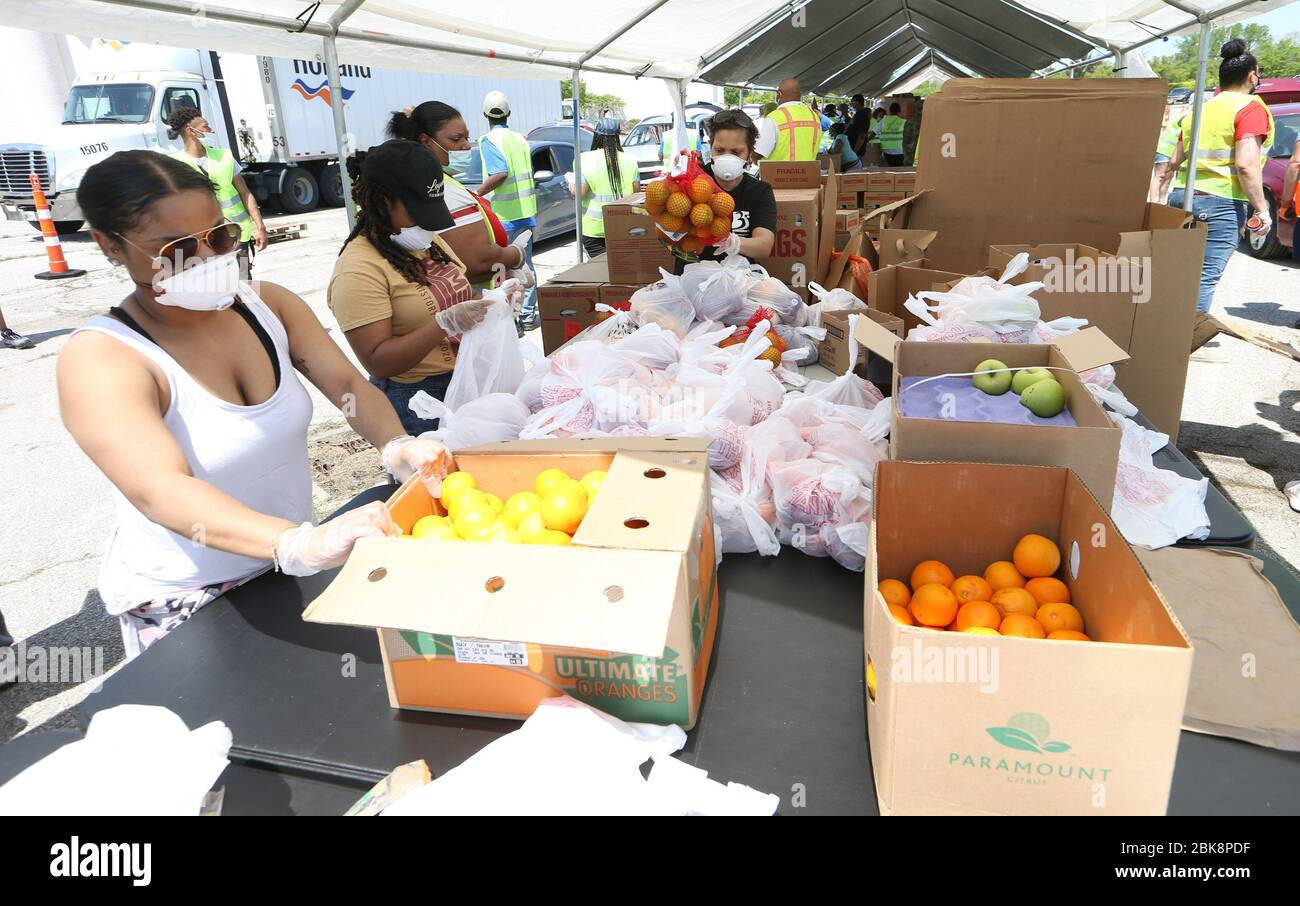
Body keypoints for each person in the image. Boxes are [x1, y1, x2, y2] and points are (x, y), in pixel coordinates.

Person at [60, 150, 454, 657]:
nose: (206, 258)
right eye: (177, 248)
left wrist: (394, 443)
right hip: (189, 596)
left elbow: (349, 388)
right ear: (110, 246)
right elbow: (160, 490)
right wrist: (296, 543)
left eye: (219, 237)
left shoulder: (268, 306)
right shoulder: (103, 357)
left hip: (280, 568)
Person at [328, 141, 523, 436]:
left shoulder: (427, 242)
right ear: (382, 202)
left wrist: (494, 301)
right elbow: (378, 361)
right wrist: (443, 324)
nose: (428, 225)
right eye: (417, 211)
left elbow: (455, 293)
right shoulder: (358, 270)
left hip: (464, 381)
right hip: (416, 403)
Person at [1168, 38, 1274, 313]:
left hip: (1181, 198)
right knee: (1204, 276)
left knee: (1179, 275)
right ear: (1252, 75)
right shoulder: (1251, 108)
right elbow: (1247, 164)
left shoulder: (1198, 111)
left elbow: (1174, 160)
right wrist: (1262, 210)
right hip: (1220, 203)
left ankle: (1167, 335)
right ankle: (1187, 345)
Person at [387, 102, 533, 295]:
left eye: (467, 137)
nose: (466, 145)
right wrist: (516, 254)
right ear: (426, 141)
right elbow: (478, 262)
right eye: (456, 139)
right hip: (471, 304)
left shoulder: (443, 181)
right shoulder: (438, 188)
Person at [165, 106, 266, 277]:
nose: (210, 130)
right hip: (202, 241)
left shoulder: (224, 156)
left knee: (244, 282)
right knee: (214, 286)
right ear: (191, 131)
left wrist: (260, 226)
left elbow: (245, 193)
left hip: (237, 234)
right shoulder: (174, 165)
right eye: (205, 127)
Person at [476, 91, 540, 331]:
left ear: (485, 115)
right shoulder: (520, 139)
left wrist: (478, 193)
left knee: (501, 270)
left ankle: (510, 319)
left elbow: (500, 173)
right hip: (526, 213)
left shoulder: (489, 140)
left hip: (503, 217)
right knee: (525, 267)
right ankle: (527, 315)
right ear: (508, 113)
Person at [682, 108, 775, 269]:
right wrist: (679, 175)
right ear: (710, 149)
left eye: (735, 152)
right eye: (719, 150)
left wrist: (734, 243)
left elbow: (764, 246)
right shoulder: (692, 182)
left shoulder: (759, 191)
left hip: (741, 280)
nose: (726, 157)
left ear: (749, 154)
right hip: (692, 277)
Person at [567, 117, 639, 259]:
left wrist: (570, 183)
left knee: (600, 272)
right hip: (623, 227)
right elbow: (636, 193)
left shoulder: (584, 159)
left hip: (594, 231)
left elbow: (580, 193)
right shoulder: (630, 160)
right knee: (622, 270)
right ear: (618, 137)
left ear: (596, 136)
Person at [756, 78, 822, 162]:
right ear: (800, 95)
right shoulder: (814, 116)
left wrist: (752, 157)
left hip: (779, 173)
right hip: (808, 173)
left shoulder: (775, 117)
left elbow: (760, 151)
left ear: (779, 94)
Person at [1151, 107, 1183, 204]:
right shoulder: (1188, 116)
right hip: (1164, 148)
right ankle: (1152, 202)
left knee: (1168, 176)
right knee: (1160, 175)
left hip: (1173, 150)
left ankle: (1161, 201)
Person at [902, 98, 923, 167]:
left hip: (910, 158)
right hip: (922, 158)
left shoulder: (909, 122)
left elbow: (905, 141)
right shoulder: (927, 122)